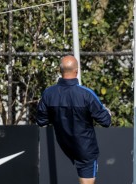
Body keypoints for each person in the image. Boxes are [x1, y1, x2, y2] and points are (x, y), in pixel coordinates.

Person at [36, 55, 112, 184]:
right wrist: (107, 112)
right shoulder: (86, 94)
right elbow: (105, 121)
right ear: (76, 71)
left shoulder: (48, 93)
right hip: (84, 147)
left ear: (60, 71)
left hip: (64, 144)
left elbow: (41, 120)